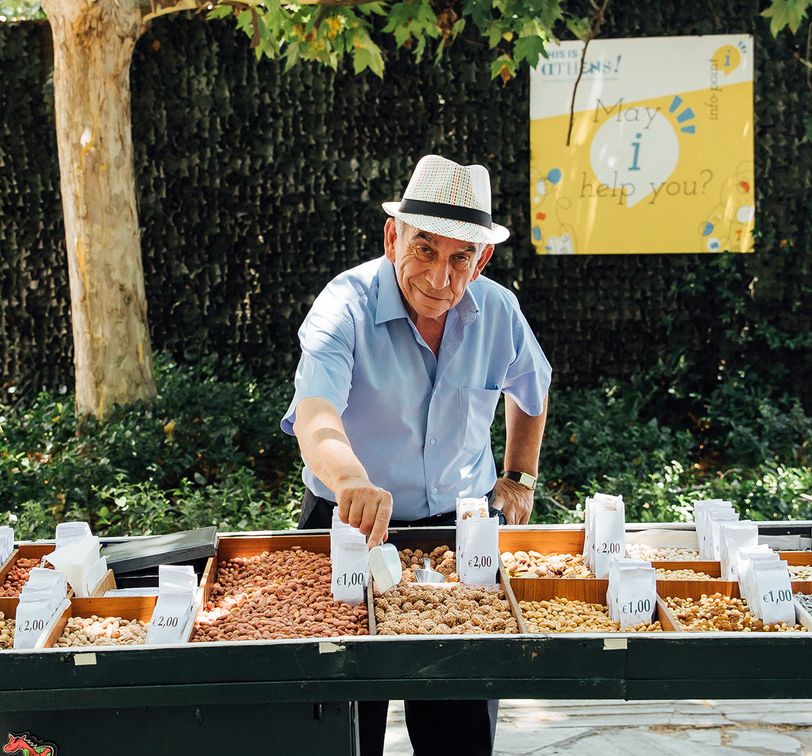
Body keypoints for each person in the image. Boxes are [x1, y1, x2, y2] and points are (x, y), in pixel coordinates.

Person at [281, 154, 551, 756]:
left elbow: (533, 389)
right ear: (392, 236)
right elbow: (314, 411)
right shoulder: (342, 305)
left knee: (458, 732)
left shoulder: (500, 312)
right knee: (341, 727)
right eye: (424, 250)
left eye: (460, 259)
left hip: (462, 534)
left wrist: (518, 477)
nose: (439, 277)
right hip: (349, 526)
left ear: (481, 260)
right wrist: (351, 479)